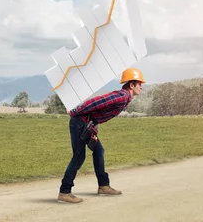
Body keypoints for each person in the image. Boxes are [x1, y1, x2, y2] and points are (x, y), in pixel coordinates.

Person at [57, 67, 146, 203]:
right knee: (79, 156)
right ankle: (64, 192)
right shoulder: (122, 96)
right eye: (140, 84)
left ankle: (103, 186)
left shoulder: (125, 98)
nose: (141, 87)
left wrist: (93, 125)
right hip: (79, 122)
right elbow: (97, 102)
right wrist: (75, 111)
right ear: (132, 85)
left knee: (99, 150)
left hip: (86, 124)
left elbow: (98, 111)